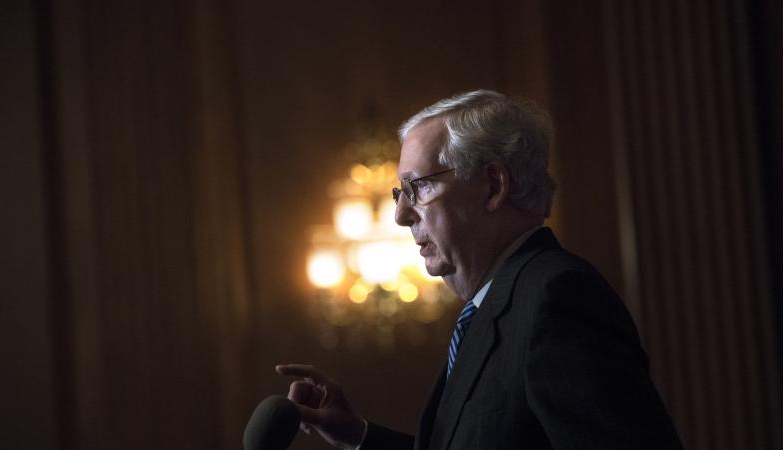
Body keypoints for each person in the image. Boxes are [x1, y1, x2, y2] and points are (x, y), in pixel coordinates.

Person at [277, 90, 683, 449]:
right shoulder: (492, 307)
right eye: (400, 193)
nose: (400, 215)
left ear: (493, 186)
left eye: (418, 188)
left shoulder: (557, 300)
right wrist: (358, 435)